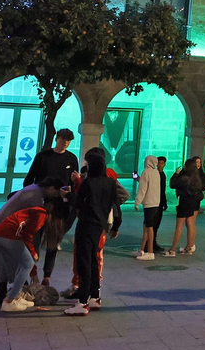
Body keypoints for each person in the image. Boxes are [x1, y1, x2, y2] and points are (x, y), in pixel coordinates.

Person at [0, 179, 62, 312]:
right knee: (26, 263)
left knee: (21, 261)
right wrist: (33, 259)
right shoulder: (38, 203)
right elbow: (28, 235)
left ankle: (15, 295)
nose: (56, 194)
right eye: (56, 192)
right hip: (8, 233)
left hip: (4, 230)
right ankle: (11, 300)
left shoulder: (33, 191)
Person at [66, 150, 122, 316]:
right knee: (94, 261)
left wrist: (68, 195)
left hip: (86, 225)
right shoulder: (111, 183)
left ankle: (82, 301)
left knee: (84, 262)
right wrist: (116, 226)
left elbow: (77, 202)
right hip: (100, 226)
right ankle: (95, 297)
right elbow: (116, 206)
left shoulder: (88, 183)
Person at [25, 128, 79, 287]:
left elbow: (73, 183)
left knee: (53, 242)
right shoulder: (43, 157)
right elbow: (30, 178)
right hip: (41, 202)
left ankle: (47, 276)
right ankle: (31, 270)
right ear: (57, 139)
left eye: (69, 141)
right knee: (34, 239)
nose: (66, 143)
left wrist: (69, 196)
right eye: (63, 139)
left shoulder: (71, 158)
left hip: (59, 205)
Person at [166, 156, 205, 256]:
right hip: (192, 202)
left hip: (184, 202)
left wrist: (176, 174)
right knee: (191, 223)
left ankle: (172, 249)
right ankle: (189, 246)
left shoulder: (184, 178)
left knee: (179, 226)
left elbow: (172, 184)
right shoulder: (196, 178)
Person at [135, 155, 163, 260]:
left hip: (148, 204)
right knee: (146, 226)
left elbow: (142, 189)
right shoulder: (156, 173)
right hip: (156, 203)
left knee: (149, 227)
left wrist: (137, 202)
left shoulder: (146, 172)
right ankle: (141, 249)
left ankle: (150, 252)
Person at [154, 156, 169, 253]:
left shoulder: (163, 175)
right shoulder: (155, 174)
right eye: (159, 163)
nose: (160, 165)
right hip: (154, 201)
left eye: (162, 163)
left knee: (157, 223)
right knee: (153, 223)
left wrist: (164, 202)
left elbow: (163, 190)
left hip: (160, 201)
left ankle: (153, 242)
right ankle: (150, 243)